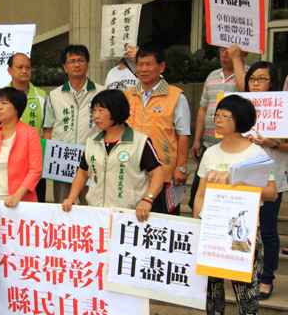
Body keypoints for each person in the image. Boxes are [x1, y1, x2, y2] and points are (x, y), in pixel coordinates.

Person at [191, 95, 277, 315]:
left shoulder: (256, 154)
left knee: (246, 291)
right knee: (213, 288)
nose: (218, 120)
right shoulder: (211, 153)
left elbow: (272, 193)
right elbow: (201, 193)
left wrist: (239, 184)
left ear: (239, 120)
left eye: (225, 116)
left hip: (244, 233)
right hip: (213, 230)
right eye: (217, 115)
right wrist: (198, 219)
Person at [61, 89, 164, 220]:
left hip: (130, 216)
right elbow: (82, 172)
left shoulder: (140, 141)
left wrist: (148, 199)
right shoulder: (92, 142)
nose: (95, 116)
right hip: (97, 214)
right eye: (93, 111)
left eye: (101, 110)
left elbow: (158, 174)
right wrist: (71, 197)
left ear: (116, 110)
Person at [125, 46, 191, 214]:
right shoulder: (128, 95)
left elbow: (183, 134)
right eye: (140, 64)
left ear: (161, 67)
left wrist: (181, 167)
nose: (143, 69)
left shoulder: (176, 96)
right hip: (133, 171)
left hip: (165, 173)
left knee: (164, 221)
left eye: (148, 64)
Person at [241, 61, 286, 299]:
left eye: (262, 79)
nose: (256, 84)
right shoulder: (241, 106)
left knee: (267, 229)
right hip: (244, 176)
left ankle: (267, 277)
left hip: (272, 178)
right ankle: (245, 272)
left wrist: (272, 143)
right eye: (252, 79)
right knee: (244, 227)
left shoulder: (283, 107)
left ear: (273, 82)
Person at [43, 44, 105, 202]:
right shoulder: (54, 95)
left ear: (87, 64)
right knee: (62, 205)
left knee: (90, 205)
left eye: (81, 60)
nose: (77, 64)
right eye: (72, 61)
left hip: (91, 159)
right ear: (65, 67)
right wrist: (51, 159)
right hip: (63, 160)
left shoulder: (101, 92)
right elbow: (48, 129)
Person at [189, 45, 247, 209]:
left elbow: (246, 91)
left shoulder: (248, 74)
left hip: (234, 147)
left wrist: (237, 60)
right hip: (209, 145)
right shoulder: (212, 75)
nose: (225, 54)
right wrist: (197, 139)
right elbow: (203, 108)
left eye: (229, 50)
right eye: (222, 50)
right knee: (198, 194)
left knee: (226, 196)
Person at [0, 87, 42, 207]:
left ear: (17, 108)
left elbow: (35, 171)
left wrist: (17, 196)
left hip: (20, 201)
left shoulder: (30, 133)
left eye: (4, 103)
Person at [7, 53, 48, 201]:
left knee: (36, 207)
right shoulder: (0, 96)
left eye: (28, 68)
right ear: (10, 70)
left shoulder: (42, 96)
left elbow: (47, 130)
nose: (24, 71)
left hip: (35, 166)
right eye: (20, 67)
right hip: (8, 165)